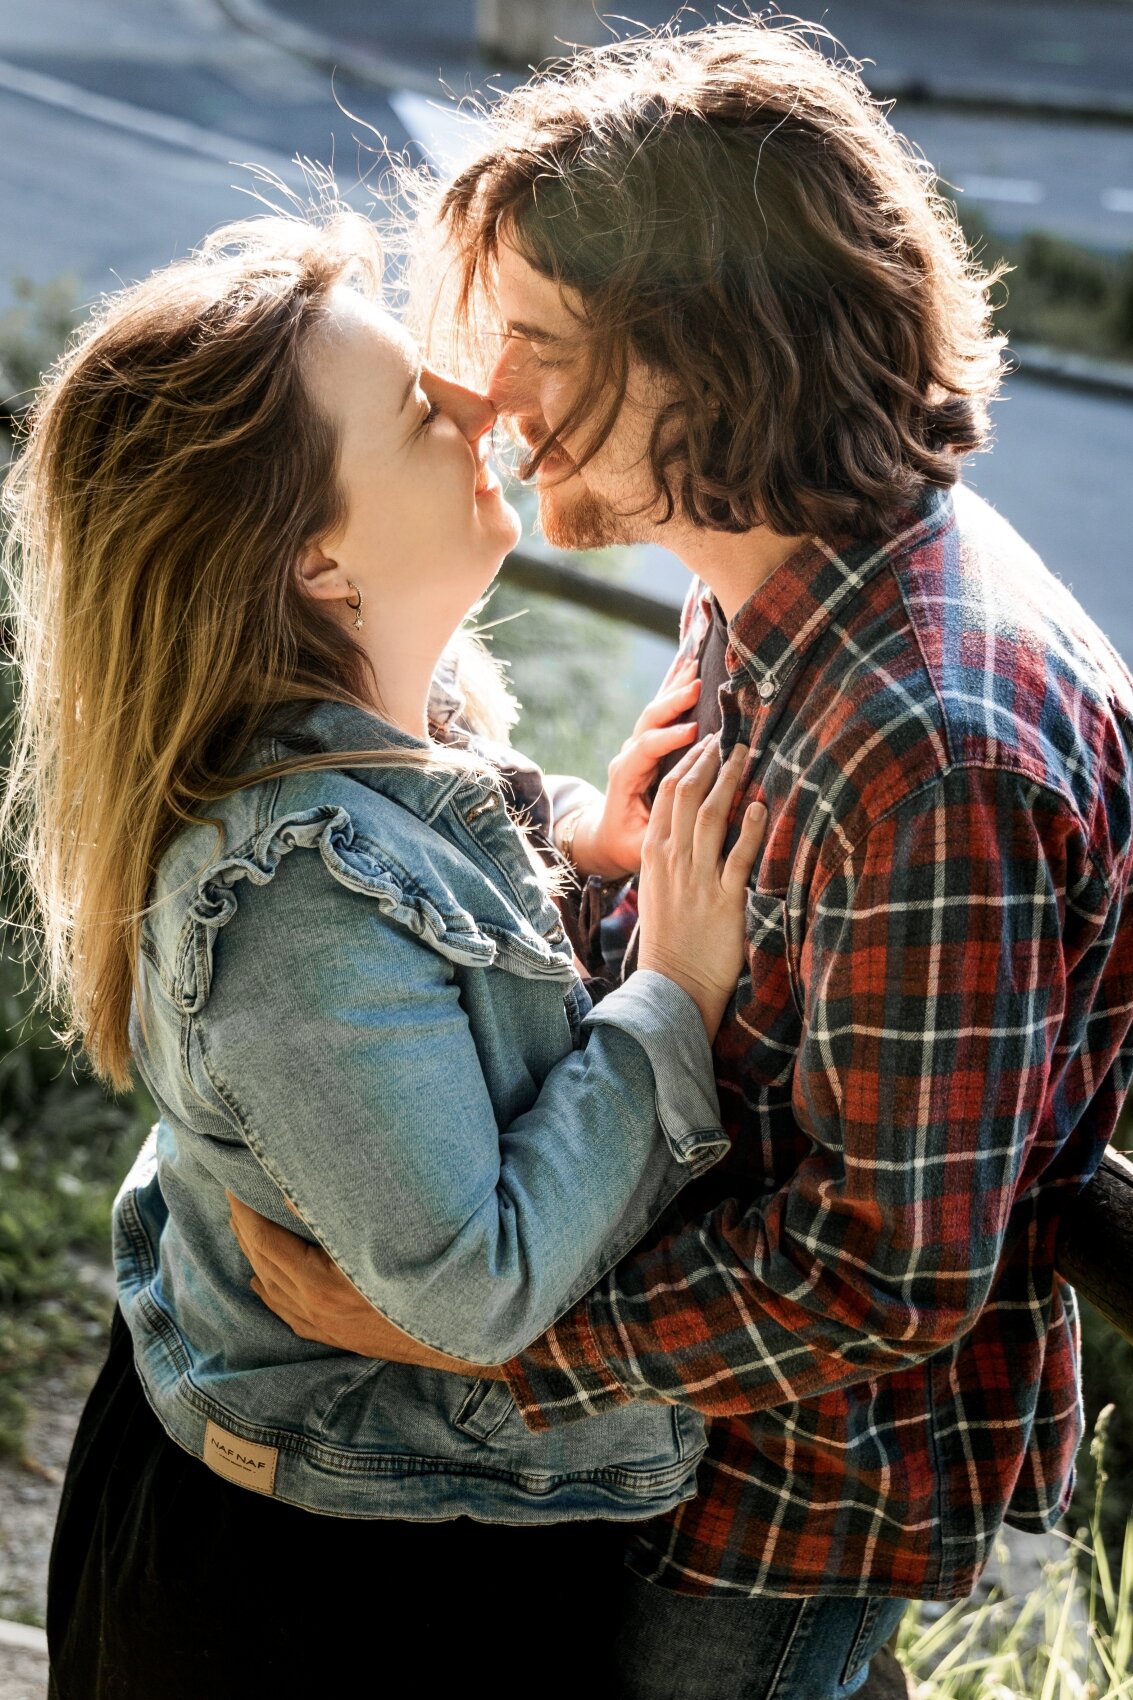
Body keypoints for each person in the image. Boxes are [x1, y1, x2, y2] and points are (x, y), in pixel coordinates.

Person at [231, 18, 1133, 1700]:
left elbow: (884, 1271)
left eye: (544, 345)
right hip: (673, 1448)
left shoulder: (928, 749)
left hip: (783, 1506)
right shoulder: (780, 580)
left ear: (719, 354)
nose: (490, 399)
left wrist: (474, 1338)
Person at [0, 204, 768, 1698]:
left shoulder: (381, 751)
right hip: (327, 1597)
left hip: (372, 1532)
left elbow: (425, 865)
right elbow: (472, 1286)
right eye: (420, 407)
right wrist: (670, 1001)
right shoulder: (289, 903)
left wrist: (567, 832)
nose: (479, 404)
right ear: (318, 563)